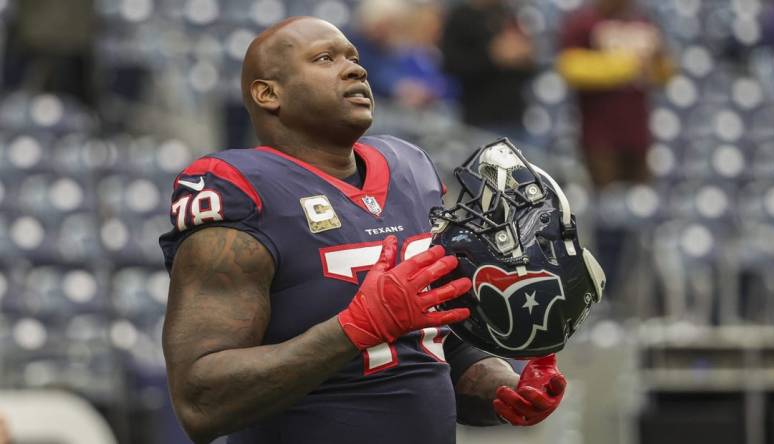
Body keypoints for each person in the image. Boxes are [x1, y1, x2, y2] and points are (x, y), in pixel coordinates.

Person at [159, 16, 565, 444]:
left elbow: (432, 346)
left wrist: (504, 386)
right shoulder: (243, 189)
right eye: (324, 58)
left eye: (354, 58)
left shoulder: (411, 171)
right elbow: (200, 402)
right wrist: (353, 328)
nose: (356, 69)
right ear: (267, 93)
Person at [557, 0, 674, 188]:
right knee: (604, 199)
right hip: (600, 135)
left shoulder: (644, 21)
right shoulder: (584, 22)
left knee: (640, 199)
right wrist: (625, 66)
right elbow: (569, 67)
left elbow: (663, 74)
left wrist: (658, 62)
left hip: (638, 133)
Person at [441, 0, 535, 137]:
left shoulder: (509, 15)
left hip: (515, 116)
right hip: (479, 118)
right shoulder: (461, 17)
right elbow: (451, 65)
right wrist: (493, 56)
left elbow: (529, 66)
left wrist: (524, 57)